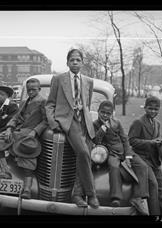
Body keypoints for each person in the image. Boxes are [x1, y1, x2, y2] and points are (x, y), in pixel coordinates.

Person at [45, 49, 99, 209]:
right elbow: (50, 104)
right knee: (83, 152)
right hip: (68, 121)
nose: (75, 62)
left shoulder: (89, 81)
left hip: (85, 123)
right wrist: (53, 123)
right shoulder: (59, 79)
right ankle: (91, 194)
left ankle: (76, 194)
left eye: (78, 60)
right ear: (67, 62)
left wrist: (87, 119)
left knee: (85, 157)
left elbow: (87, 104)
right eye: (72, 60)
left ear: (82, 62)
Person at [0, 78, 48, 199]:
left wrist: (35, 132)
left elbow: (46, 121)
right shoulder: (25, 102)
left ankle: (27, 190)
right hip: (18, 132)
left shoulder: (43, 102)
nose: (31, 92)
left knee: (27, 156)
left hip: (29, 135)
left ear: (39, 90)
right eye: (29, 90)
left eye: (34, 90)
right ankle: (5, 171)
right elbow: (16, 117)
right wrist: (9, 128)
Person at [93, 100, 149, 215]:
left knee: (142, 166)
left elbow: (124, 139)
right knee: (114, 166)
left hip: (124, 151)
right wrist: (102, 129)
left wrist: (128, 155)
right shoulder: (95, 124)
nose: (105, 115)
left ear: (112, 113)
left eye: (108, 113)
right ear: (98, 111)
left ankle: (138, 198)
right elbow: (95, 141)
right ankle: (116, 197)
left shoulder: (117, 123)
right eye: (102, 112)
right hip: (110, 153)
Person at [128, 96, 162, 215]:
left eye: (156, 109)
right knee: (153, 184)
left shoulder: (157, 123)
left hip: (154, 159)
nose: (153, 111)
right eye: (150, 108)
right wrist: (151, 142)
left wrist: (160, 140)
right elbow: (131, 141)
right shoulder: (138, 122)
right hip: (141, 159)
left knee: (161, 188)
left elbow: (155, 138)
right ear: (145, 108)